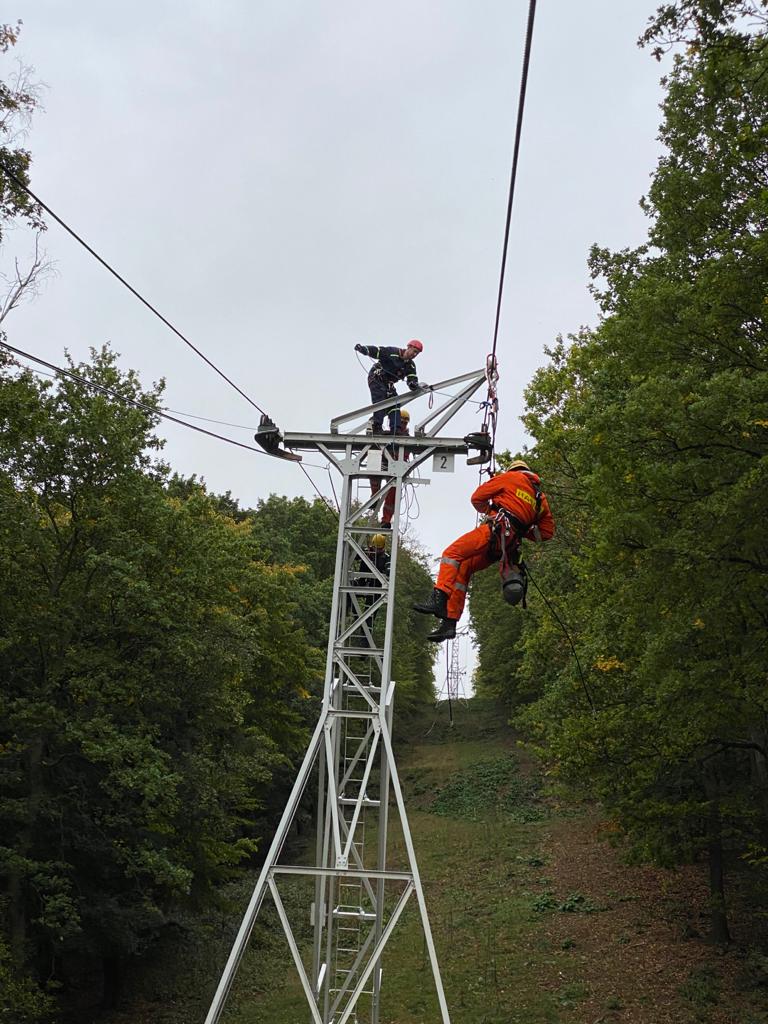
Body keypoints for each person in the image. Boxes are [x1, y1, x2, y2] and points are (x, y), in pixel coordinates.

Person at [413, 460, 555, 642]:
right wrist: (523, 528)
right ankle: (449, 623)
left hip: (495, 531)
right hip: (507, 546)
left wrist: (490, 510)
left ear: (513, 470)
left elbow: (477, 498)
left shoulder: (509, 478)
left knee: (451, 554)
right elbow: (546, 532)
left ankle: (438, 598)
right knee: (463, 567)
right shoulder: (539, 498)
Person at [354, 339, 424, 433]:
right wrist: (364, 349)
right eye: (414, 351)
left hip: (388, 384)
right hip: (377, 377)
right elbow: (377, 351)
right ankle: (377, 427)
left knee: (395, 403)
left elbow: (412, 379)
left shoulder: (410, 365)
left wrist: (413, 384)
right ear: (409, 347)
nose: (415, 354)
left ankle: (396, 430)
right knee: (381, 400)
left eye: (417, 353)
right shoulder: (392, 352)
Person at [369, 409, 411, 529]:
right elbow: (375, 445)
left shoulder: (406, 439)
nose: (402, 425)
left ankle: (386, 520)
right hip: (384, 464)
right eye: (401, 422)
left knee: (392, 493)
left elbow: (405, 455)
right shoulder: (386, 435)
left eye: (404, 423)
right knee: (373, 473)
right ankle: (374, 497)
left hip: (395, 467)